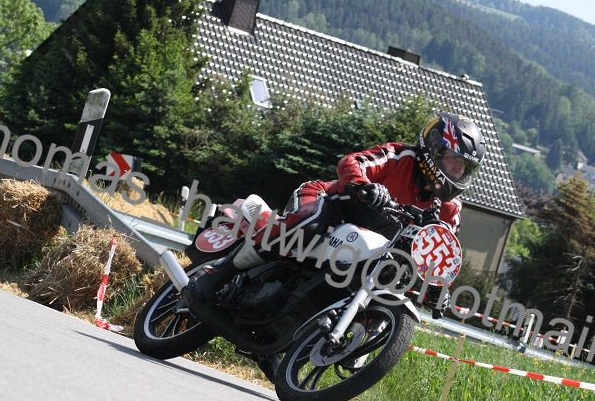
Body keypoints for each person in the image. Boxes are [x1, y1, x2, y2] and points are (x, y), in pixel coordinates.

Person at [182, 112, 486, 319]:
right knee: (307, 225)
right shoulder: (400, 156)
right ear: (434, 148)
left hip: (366, 244)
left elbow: (441, 250)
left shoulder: (449, 208)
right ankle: (217, 274)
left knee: (393, 278)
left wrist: (438, 287)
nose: (457, 171)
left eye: (464, 167)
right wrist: (364, 186)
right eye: (454, 161)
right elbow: (351, 162)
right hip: (328, 201)